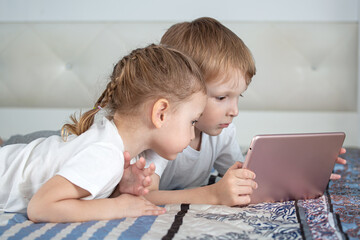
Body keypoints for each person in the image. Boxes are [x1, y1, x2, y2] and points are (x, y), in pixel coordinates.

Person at [120, 17, 347, 206]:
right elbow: (146, 196)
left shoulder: (224, 132)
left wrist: (304, 168)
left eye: (239, 96)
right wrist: (212, 195)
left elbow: (246, 178)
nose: (235, 111)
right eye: (221, 98)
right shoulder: (161, 137)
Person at [0, 44, 207, 223]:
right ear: (161, 113)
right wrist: (119, 207)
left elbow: (83, 194)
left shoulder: (114, 148)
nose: (192, 134)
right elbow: (40, 208)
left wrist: (118, 191)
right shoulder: (106, 155)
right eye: (192, 122)